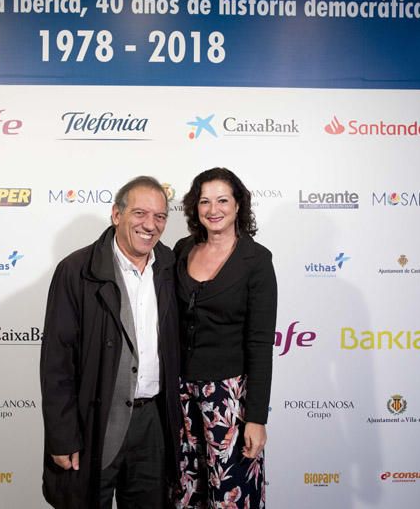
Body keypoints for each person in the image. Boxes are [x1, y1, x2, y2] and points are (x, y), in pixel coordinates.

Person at [40, 176, 182, 509]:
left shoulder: (172, 269)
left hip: (153, 426)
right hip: (96, 424)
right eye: (140, 213)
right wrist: (62, 437)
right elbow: (57, 362)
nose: (150, 225)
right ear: (116, 215)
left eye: (160, 216)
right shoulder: (77, 271)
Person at [173, 168, 277, 509]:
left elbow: (261, 343)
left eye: (222, 200)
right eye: (204, 201)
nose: (212, 209)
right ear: (194, 207)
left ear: (237, 206)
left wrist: (256, 418)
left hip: (229, 402)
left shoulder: (257, 260)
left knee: (231, 496)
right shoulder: (181, 249)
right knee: (185, 493)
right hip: (180, 395)